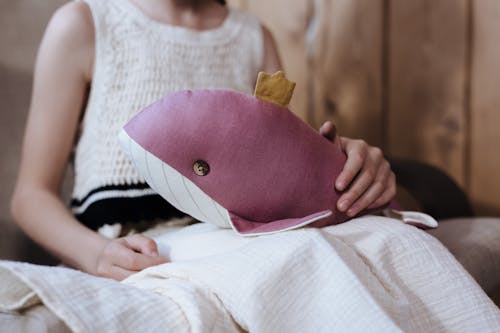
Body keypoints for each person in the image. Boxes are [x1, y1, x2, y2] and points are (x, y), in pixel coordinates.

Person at [10, 0, 396, 281]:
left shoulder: (253, 38)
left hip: (235, 247)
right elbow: (31, 195)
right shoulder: (84, 24)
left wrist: (345, 161)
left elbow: (287, 170)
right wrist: (95, 254)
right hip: (128, 258)